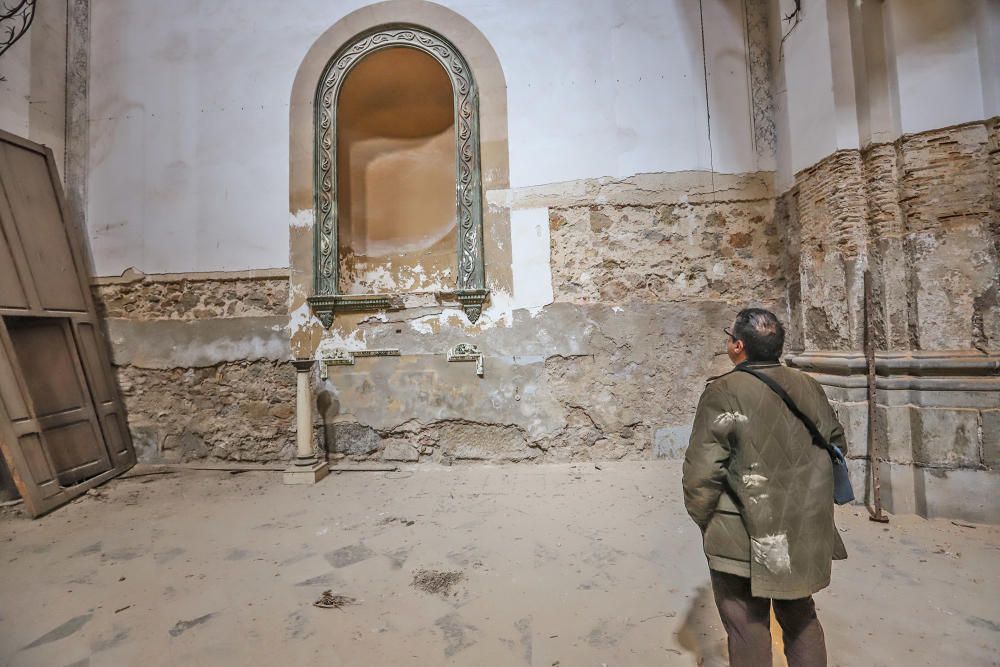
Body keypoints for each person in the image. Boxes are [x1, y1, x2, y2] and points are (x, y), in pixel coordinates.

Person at [682, 308, 848, 667]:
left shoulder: (723, 391)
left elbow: (701, 473)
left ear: (738, 346)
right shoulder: (808, 385)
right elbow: (836, 443)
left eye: (730, 336)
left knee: (746, 624)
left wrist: (707, 520)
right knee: (801, 617)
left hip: (743, 530)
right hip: (801, 526)